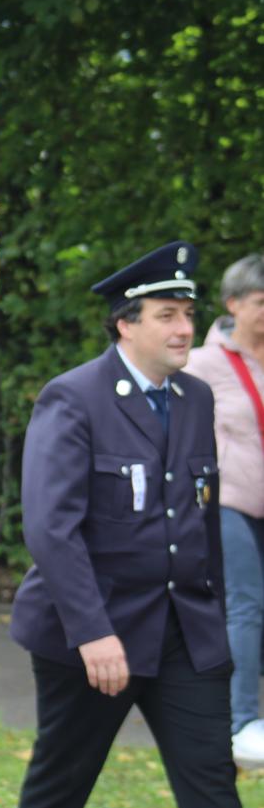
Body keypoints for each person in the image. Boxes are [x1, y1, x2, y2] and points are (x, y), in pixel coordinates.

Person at [10, 241, 241, 807]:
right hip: (95, 631)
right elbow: (50, 527)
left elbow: (201, 514)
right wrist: (92, 632)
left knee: (212, 784)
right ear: (125, 325)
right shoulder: (75, 397)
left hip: (185, 629)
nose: (185, 328)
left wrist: (218, 610)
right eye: (167, 316)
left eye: (187, 314)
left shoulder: (195, 398)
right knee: (60, 788)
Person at [184, 252, 264, 767]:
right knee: (246, 603)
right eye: (260, 302)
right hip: (229, 502)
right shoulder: (203, 363)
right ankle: (243, 722)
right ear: (233, 304)